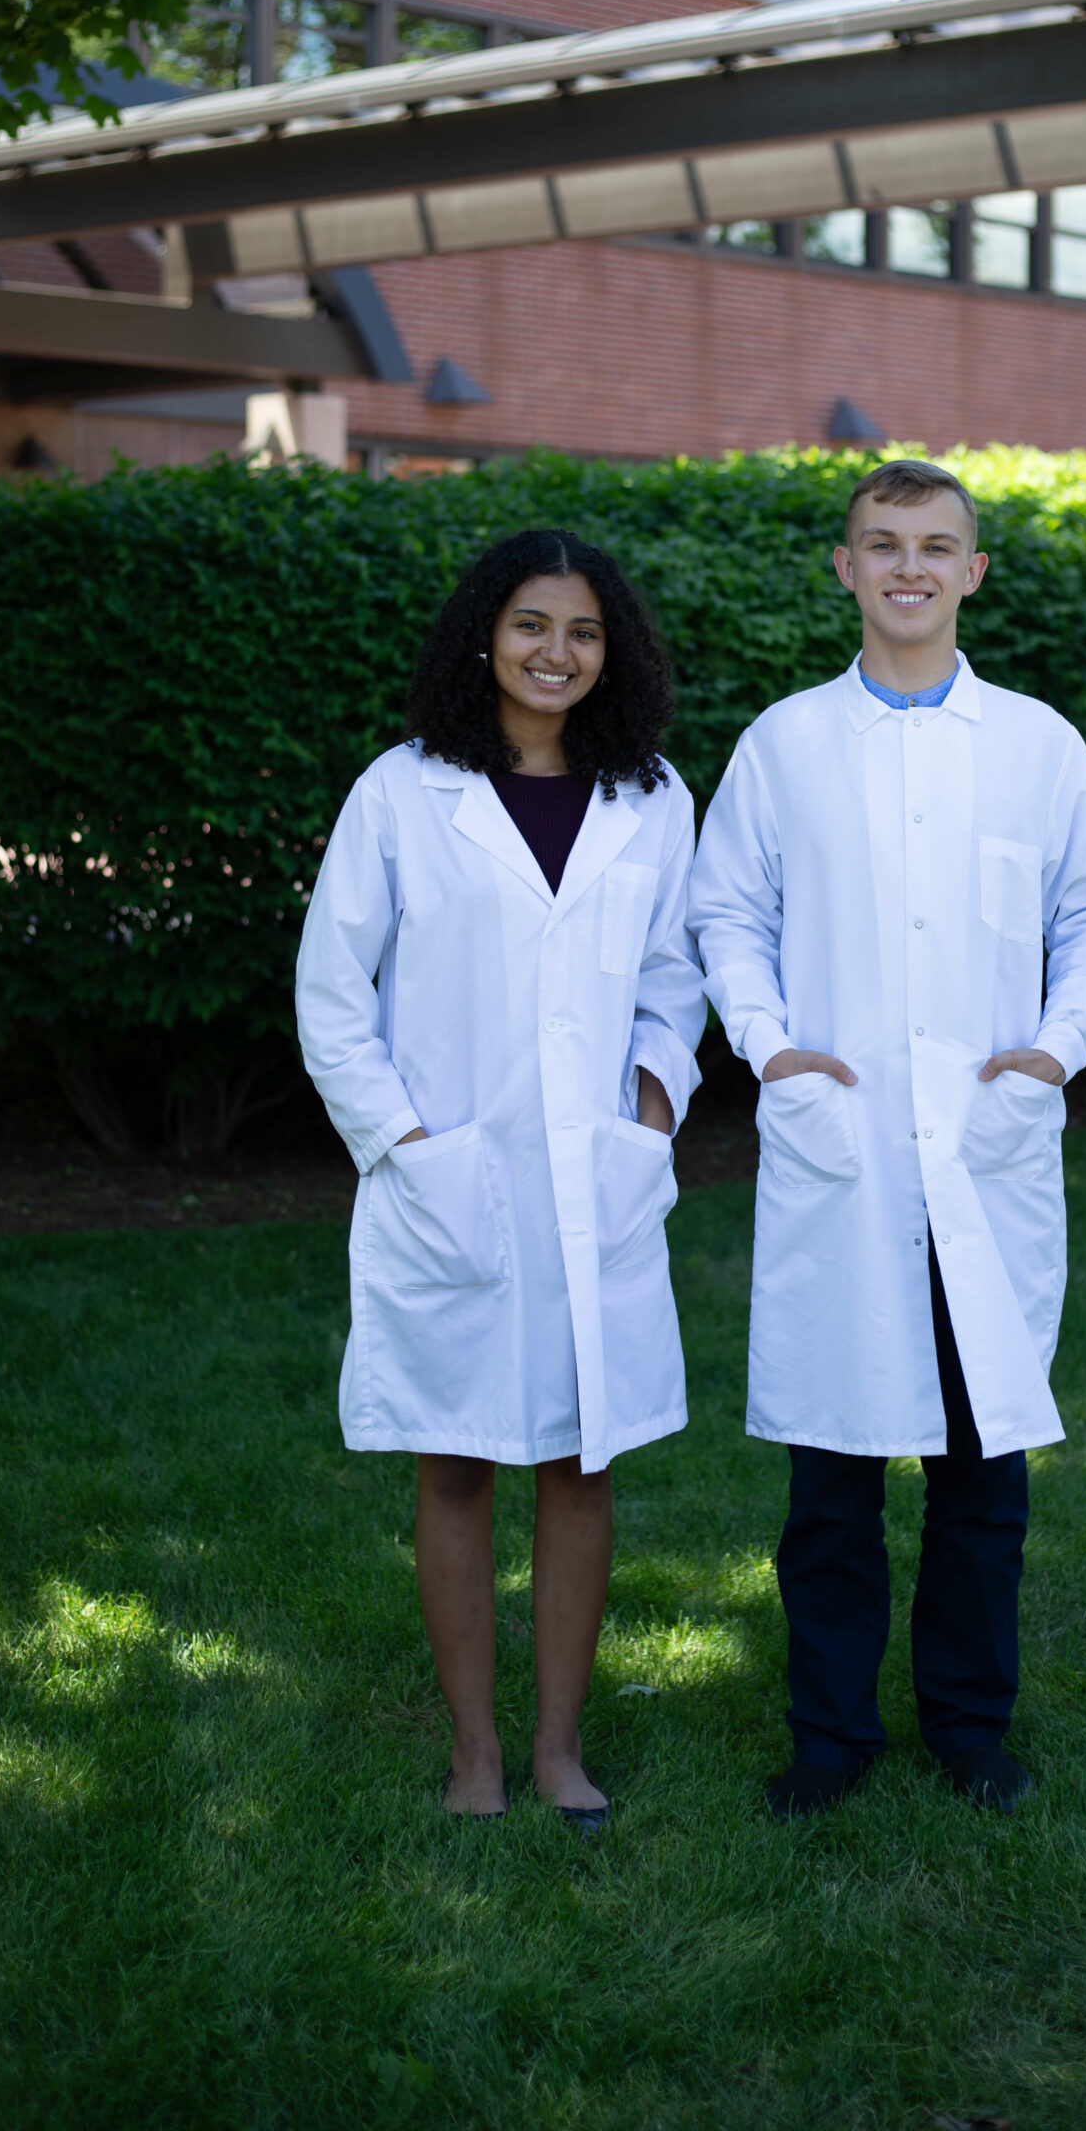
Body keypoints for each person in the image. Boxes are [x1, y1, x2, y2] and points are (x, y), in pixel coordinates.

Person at [688, 458, 1086, 1818]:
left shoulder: (1037, 748)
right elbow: (727, 915)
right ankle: (828, 1738)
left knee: (977, 1475)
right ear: (844, 566)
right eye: (881, 544)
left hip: (983, 1153)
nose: (908, 568)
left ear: (974, 571)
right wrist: (772, 1046)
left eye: (936, 546)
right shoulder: (784, 745)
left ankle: (969, 1728)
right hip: (845, 1150)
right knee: (831, 1477)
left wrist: (1054, 1051)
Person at [296, 529, 705, 1830]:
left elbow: (672, 985)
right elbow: (330, 997)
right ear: (486, 634)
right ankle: (474, 1752)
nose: (556, 652)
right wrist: (407, 1152)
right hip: (451, 1178)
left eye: (583, 632)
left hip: (597, 1180)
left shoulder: (652, 801)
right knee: (457, 1462)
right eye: (533, 625)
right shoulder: (405, 794)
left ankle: (556, 1751)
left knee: (583, 1464)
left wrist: (648, 1114)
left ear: (612, 651)